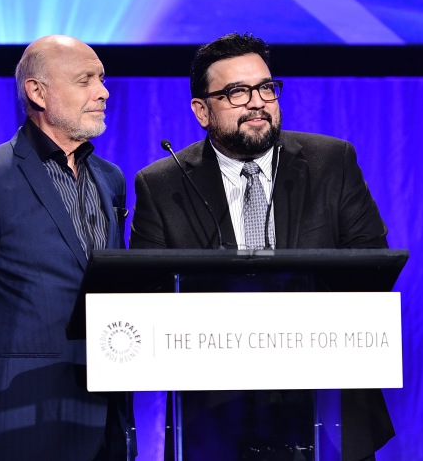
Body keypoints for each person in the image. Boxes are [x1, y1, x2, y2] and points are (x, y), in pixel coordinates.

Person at [130, 33, 393, 461]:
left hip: (327, 409)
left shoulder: (331, 162)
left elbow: (371, 271)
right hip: (215, 419)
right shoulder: (164, 185)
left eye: (266, 88)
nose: (257, 102)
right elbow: (146, 300)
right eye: (237, 92)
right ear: (202, 110)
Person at [0, 35, 134, 460]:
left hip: (105, 412)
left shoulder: (110, 177)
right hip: (20, 413)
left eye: (102, 78)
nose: (103, 91)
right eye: (85, 80)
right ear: (37, 92)